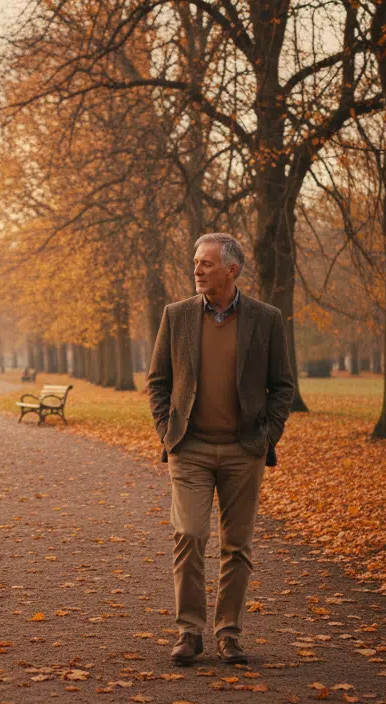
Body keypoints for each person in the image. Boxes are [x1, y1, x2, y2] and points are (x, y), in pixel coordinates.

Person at [146, 233, 296, 666]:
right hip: (189, 449)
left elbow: (283, 385)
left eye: (206, 263)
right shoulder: (176, 316)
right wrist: (165, 431)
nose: (197, 269)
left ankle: (229, 633)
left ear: (232, 270)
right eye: (196, 262)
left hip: (243, 450)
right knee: (189, 534)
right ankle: (189, 633)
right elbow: (158, 381)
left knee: (237, 545)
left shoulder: (266, 319)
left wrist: (268, 436)